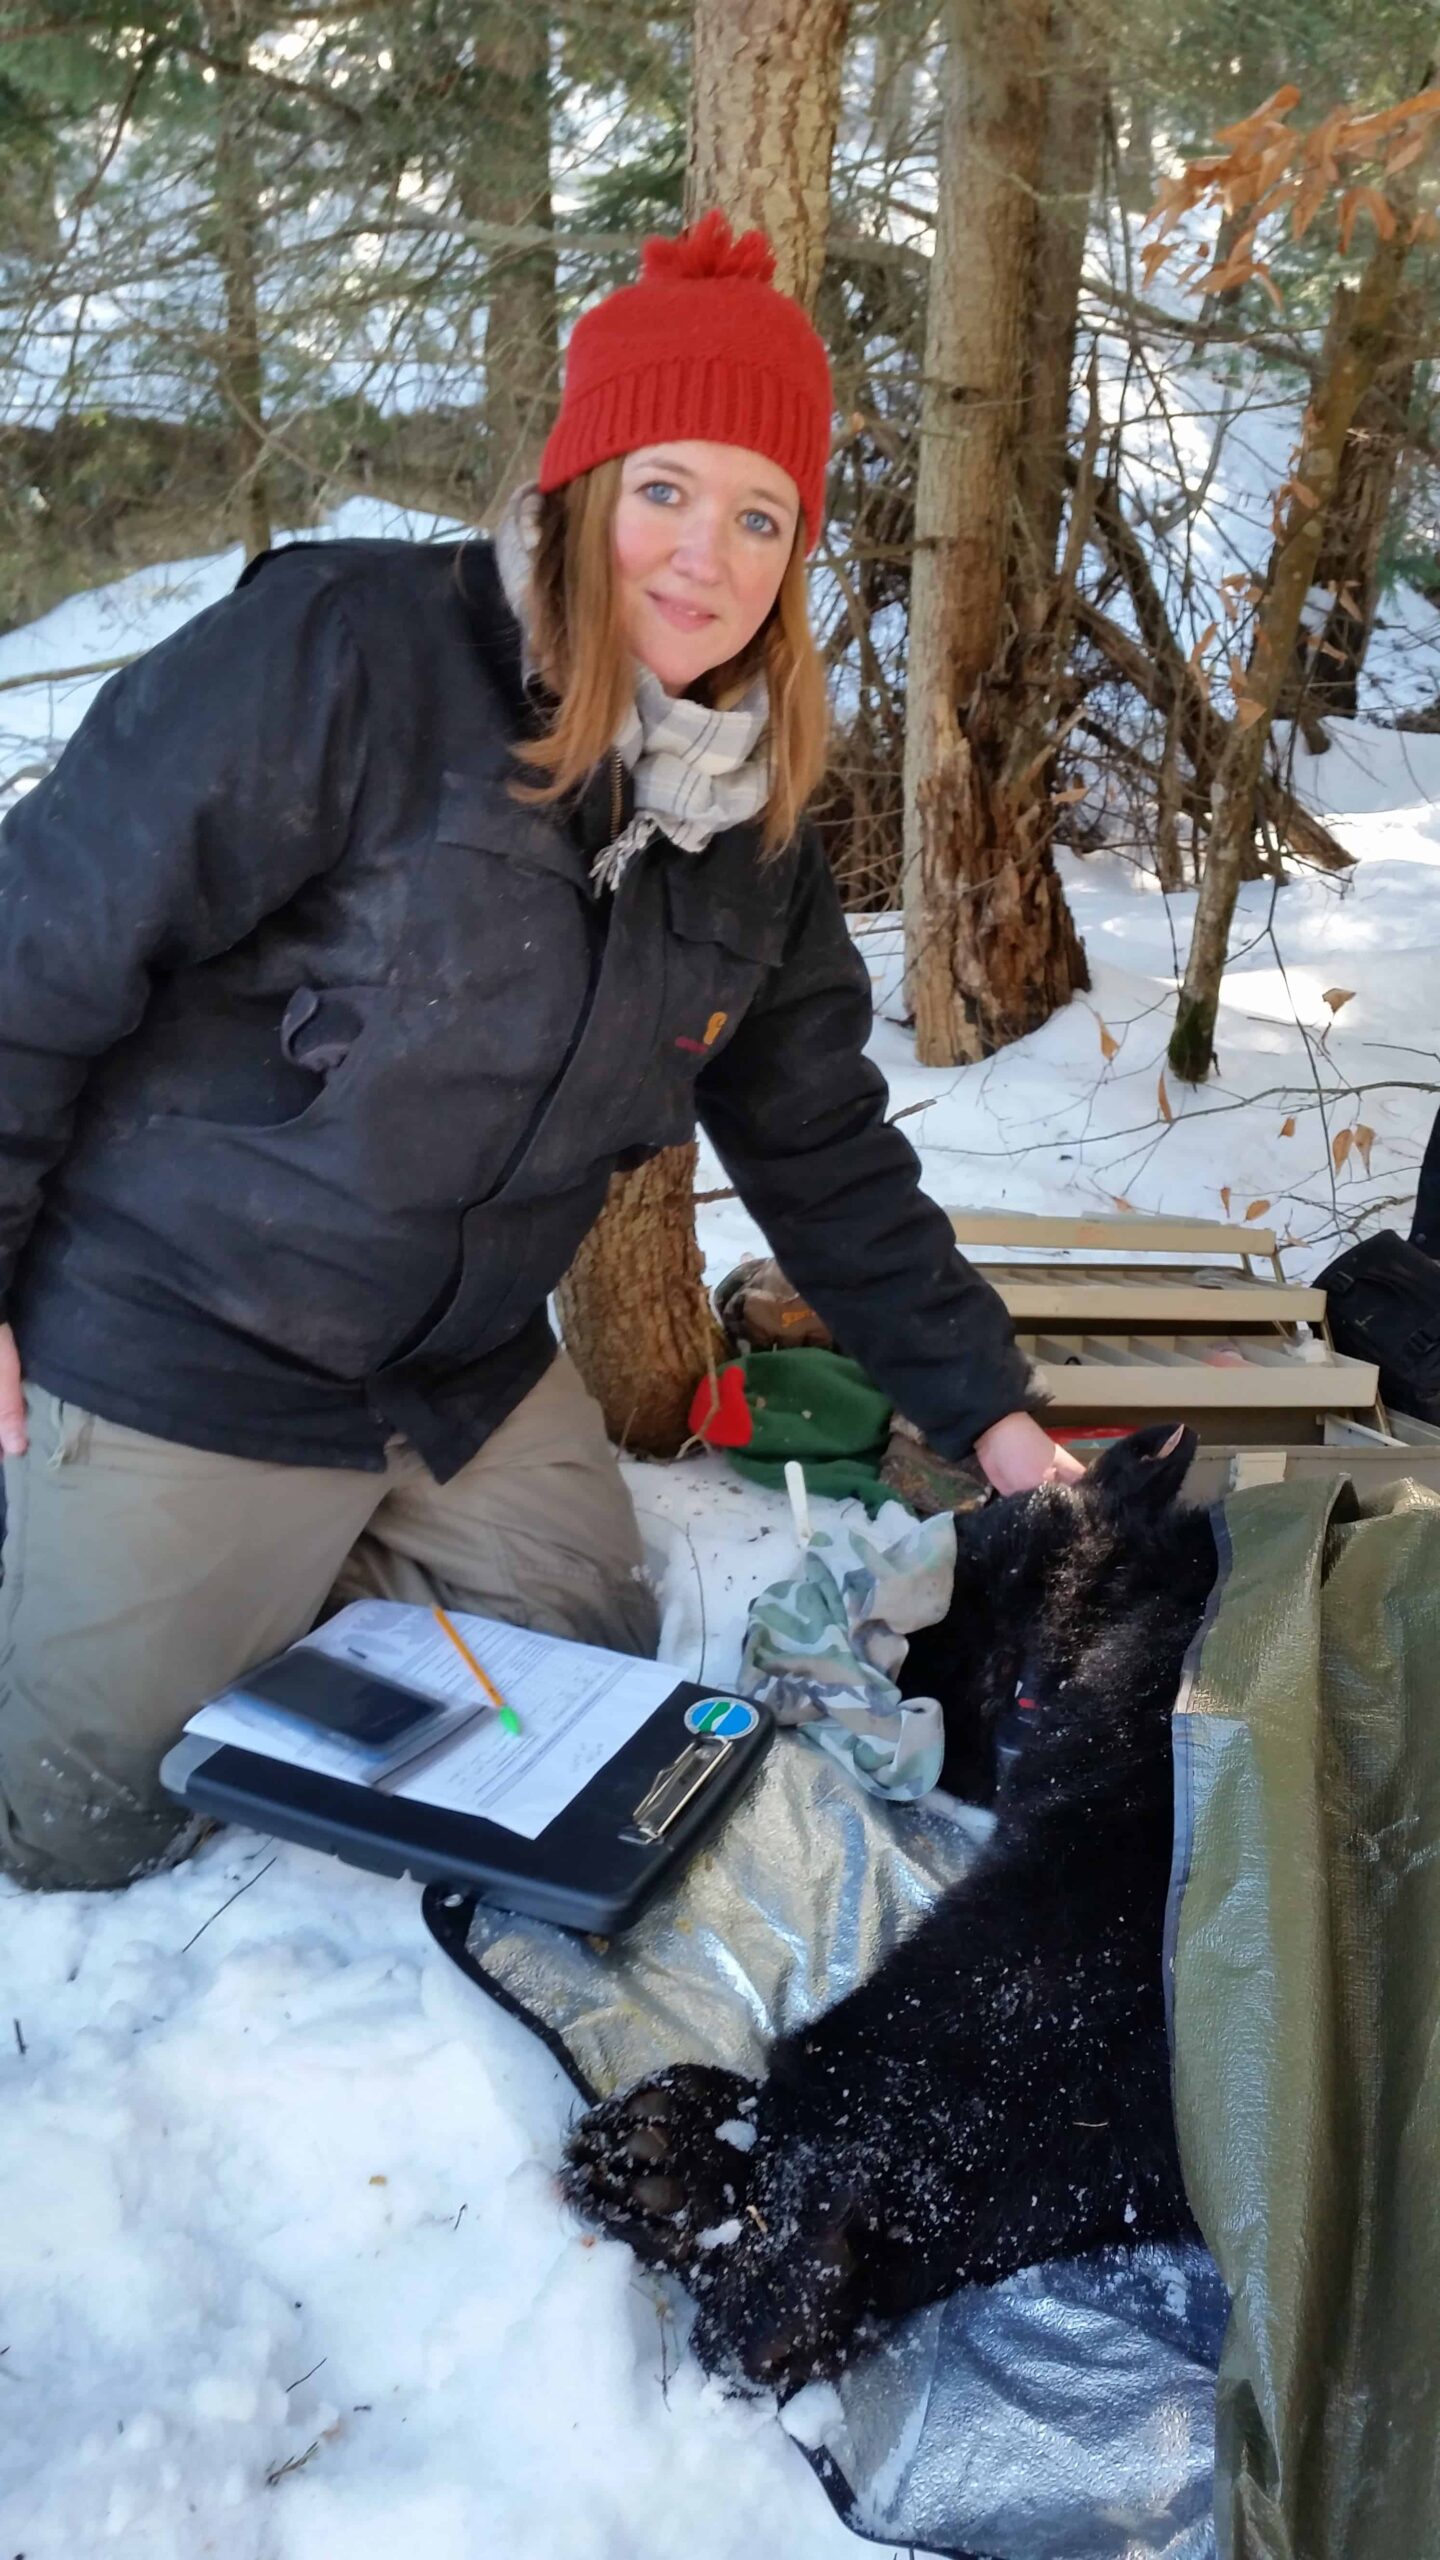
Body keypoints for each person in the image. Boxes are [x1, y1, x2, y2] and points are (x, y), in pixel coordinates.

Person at [0, 212, 1079, 1894]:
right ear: (579, 486)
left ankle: (246, 1575)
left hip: (455, 1370)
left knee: (583, 1640)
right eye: (665, 489)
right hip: (186, 1332)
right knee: (94, 1826)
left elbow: (821, 1142)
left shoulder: (750, 817)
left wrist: (992, 1415)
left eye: (758, 516)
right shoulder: (346, 656)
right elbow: (37, 942)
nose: (702, 557)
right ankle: (98, 1541)